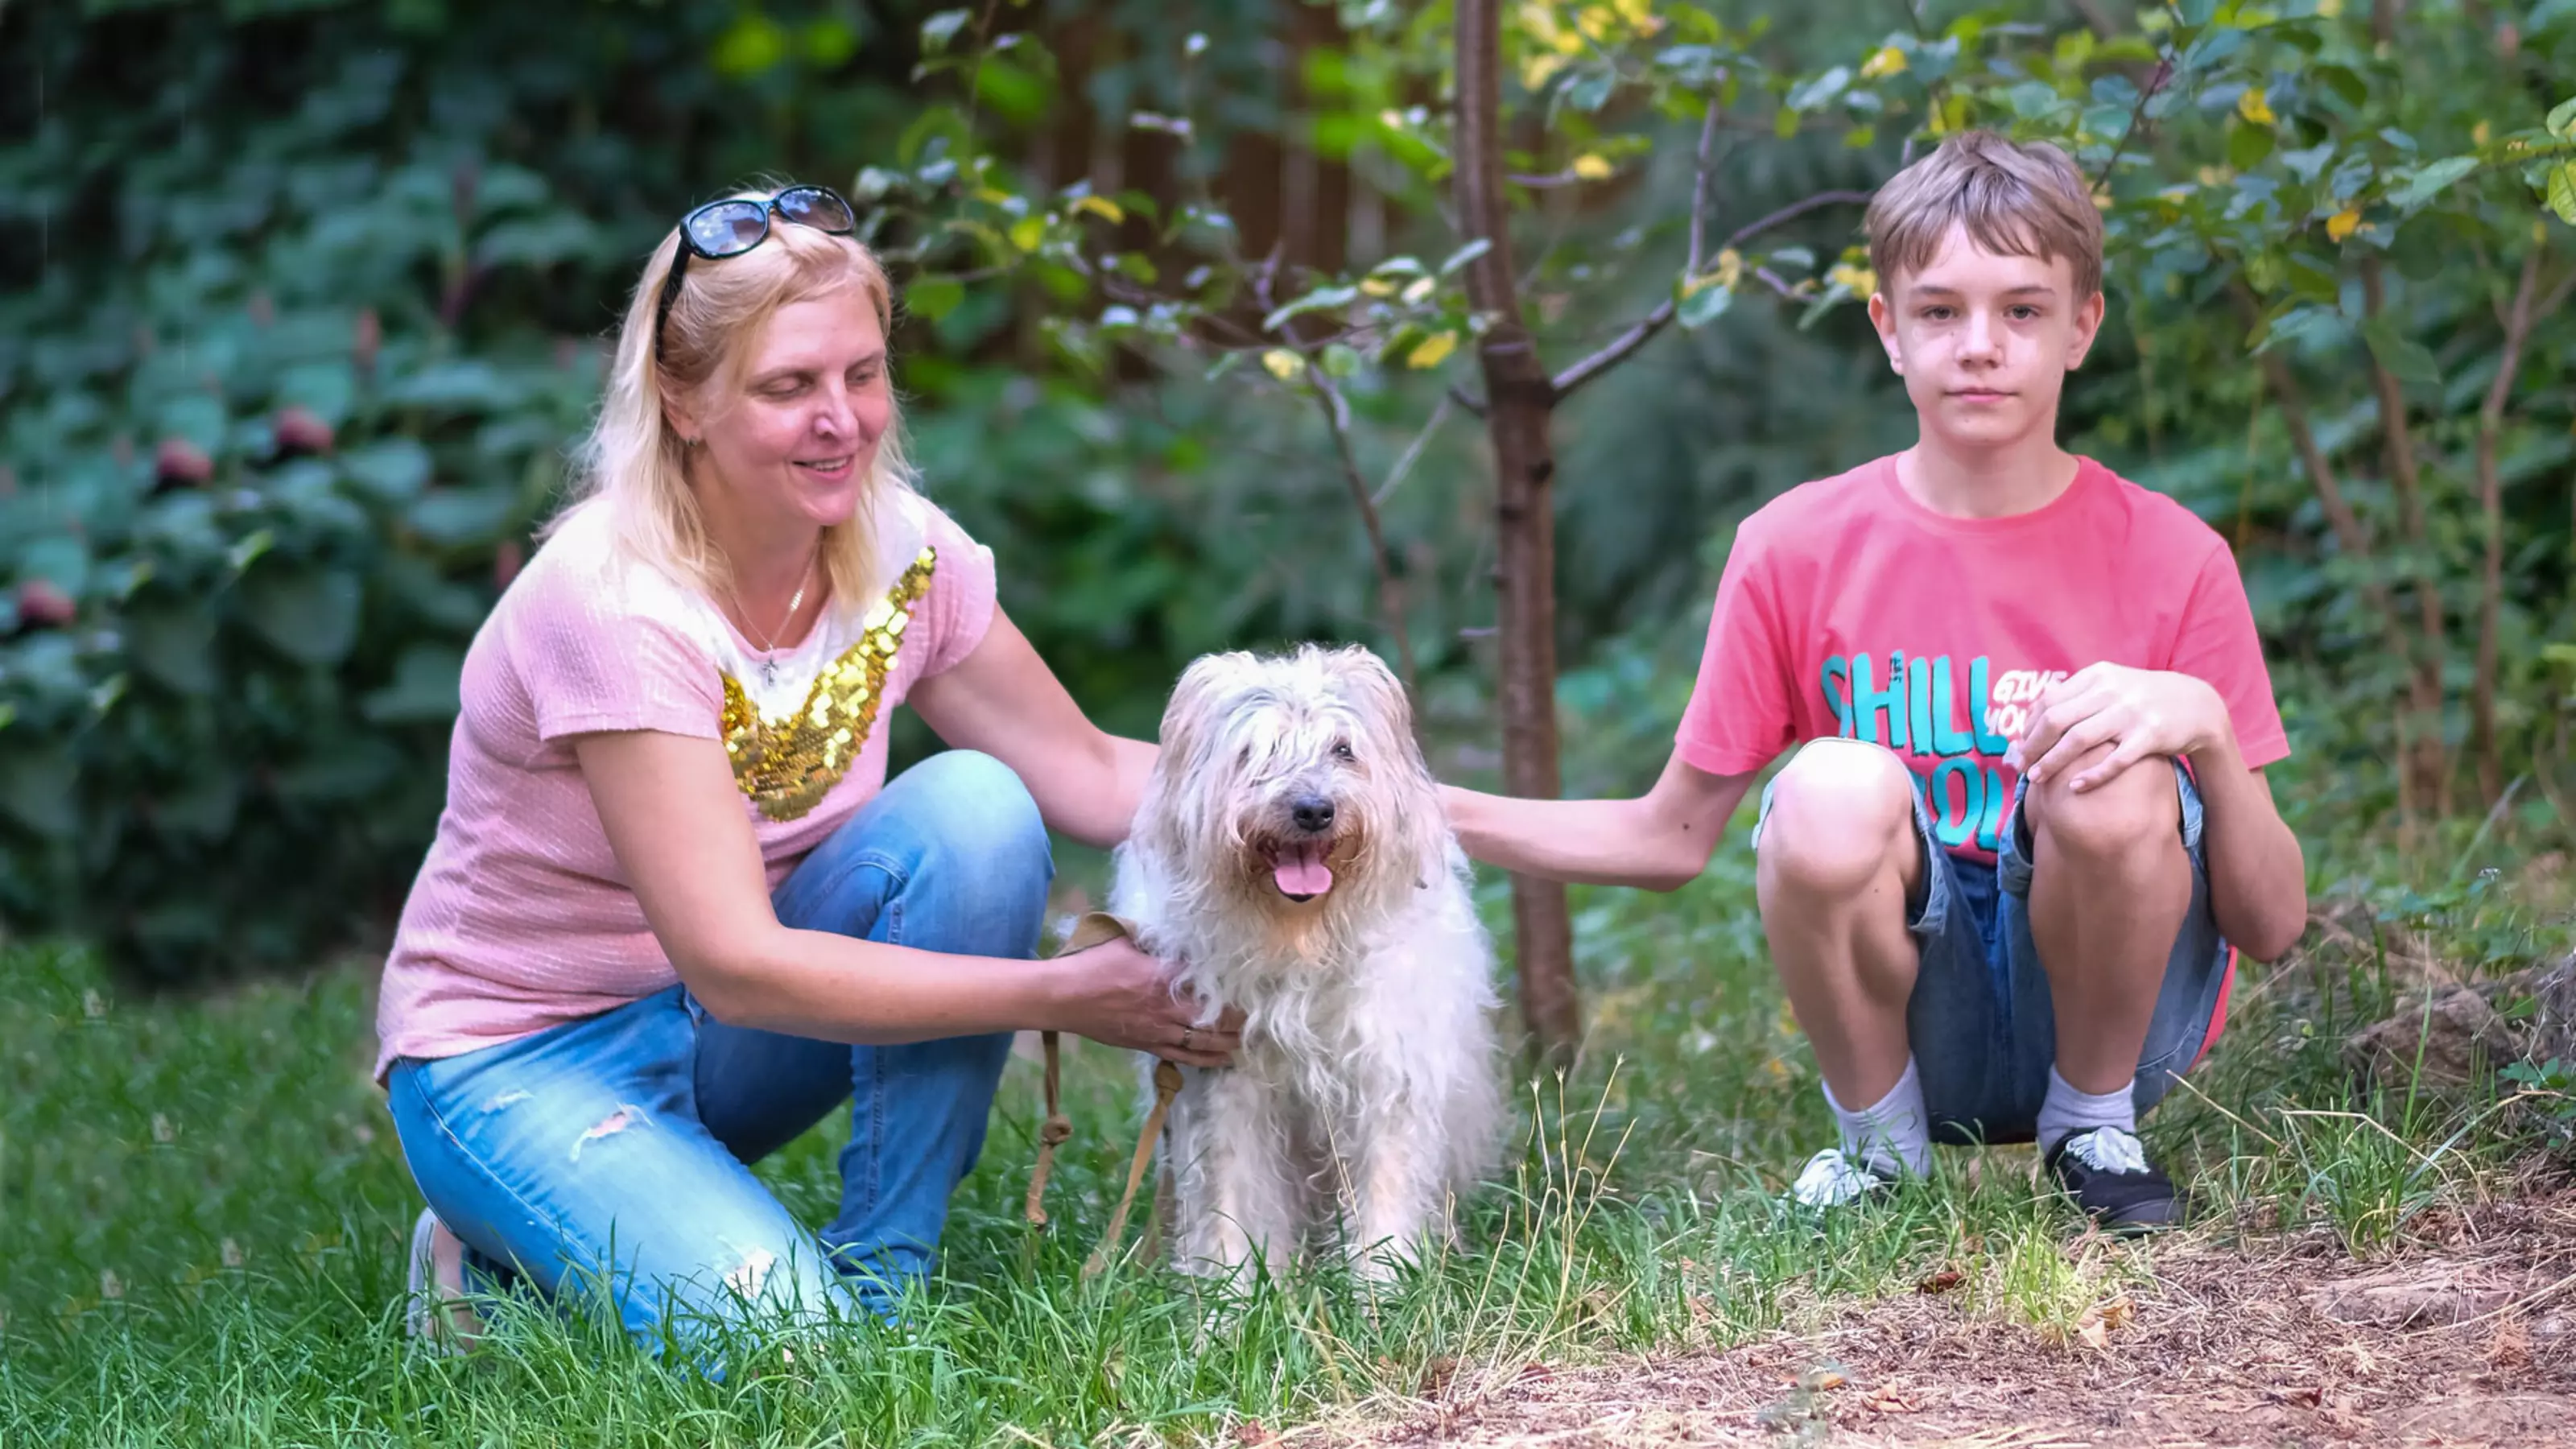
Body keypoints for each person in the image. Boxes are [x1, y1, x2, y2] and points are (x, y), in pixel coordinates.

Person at [374, 183, 1241, 1357]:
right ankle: (485, 1244)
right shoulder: (615, 602)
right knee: (792, 1355)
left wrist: (1377, 796)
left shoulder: (902, 556)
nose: (843, 419)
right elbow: (737, 963)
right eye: (790, 386)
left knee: (978, 808)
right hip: (521, 1058)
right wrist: (1066, 998)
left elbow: (1086, 771)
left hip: (720, 1033)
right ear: (682, 401)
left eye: (863, 374)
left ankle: (886, 1285)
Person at [1443, 131, 2307, 1231]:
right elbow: (1667, 839)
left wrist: (2211, 735)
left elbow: (2273, 924)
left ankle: (2092, 1135)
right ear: (1889, 331)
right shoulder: (1796, 546)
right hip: (1913, 1018)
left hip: (2119, 1022)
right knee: (1831, 782)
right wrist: (1427, 811)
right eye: (1940, 311)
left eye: (2024, 311)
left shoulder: (2174, 554)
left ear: (2083, 328)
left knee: (2109, 773)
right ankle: (1878, 1152)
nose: (1980, 346)